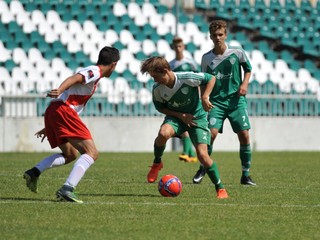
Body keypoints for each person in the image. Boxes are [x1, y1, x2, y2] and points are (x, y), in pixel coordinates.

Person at [23, 46, 120, 203]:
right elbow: (75, 78)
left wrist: (51, 125)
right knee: (92, 153)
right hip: (63, 110)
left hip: (55, 112)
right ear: (114, 64)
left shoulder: (96, 73)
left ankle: (34, 172)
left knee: (70, 155)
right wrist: (60, 89)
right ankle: (67, 189)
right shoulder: (95, 71)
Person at [140, 56, 228, 199]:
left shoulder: (186, 77)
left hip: (197, 117)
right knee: (163, 133)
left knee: (203, 156)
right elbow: (160, 107)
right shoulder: (157, 89)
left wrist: (205, 97)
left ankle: (220, 188)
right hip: (176, 117)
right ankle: (157, 163)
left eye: (156, 76)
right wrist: (181, 116)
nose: (155, 80)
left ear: (165, 71)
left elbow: (211, 78)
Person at [192, 20, 256, 186]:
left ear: (225, 35)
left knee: (244, 135)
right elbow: (203, 81)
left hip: (236, 102)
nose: (218, 38)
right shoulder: (206, 58)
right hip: (216, 103)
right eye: (215, 35)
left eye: (221, 35)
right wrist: (203, 99)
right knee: (210, 135)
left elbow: (248, 69)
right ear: (210, 37)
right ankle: (203, 167)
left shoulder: (237, 52)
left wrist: (244, 84)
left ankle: (245, 175)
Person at [169, 37, 199, 163]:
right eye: (176, 46)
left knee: (188, 126)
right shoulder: (171, 65)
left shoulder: (191, 63)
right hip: (178, 99)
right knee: (183, 125)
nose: (178, 48)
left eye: (180, 46)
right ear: (173, 47)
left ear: (184, 47)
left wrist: (201, 96)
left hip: (191, 98)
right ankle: (189, 154)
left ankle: (188, 153)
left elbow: (198, 80)